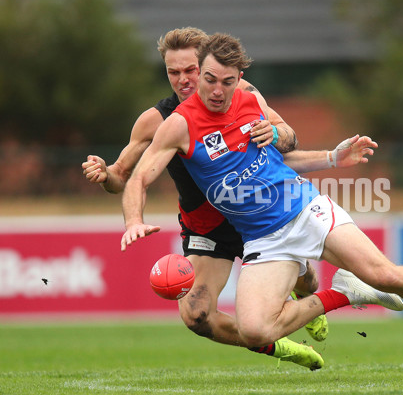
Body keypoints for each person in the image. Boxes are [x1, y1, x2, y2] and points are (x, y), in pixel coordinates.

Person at [120, 32, 403, 370]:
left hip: (304, 209)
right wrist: (134, 220)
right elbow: (139, 177)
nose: (216, 90)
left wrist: (332, 157)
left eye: (227, 81)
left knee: (385, 274)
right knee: (256, 330)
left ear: (239, 78)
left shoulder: (249, 101)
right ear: (200, 73)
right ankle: (345, 293)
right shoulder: (177, 125)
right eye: (209, 79)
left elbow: (285, 150)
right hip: (262, 240)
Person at [82, 27, 377, 371]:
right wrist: (105, 175)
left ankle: (304, 301)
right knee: (196, 316)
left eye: (191, 71)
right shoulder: (157, 120)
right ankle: (277, 345)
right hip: (208, 229)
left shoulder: (243, 93)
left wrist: (276, 132)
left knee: (308, 280)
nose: (183, 80)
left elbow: (288, 139)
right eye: (172, 73)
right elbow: (123, 178)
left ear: (208, 66)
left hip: (260, 215)